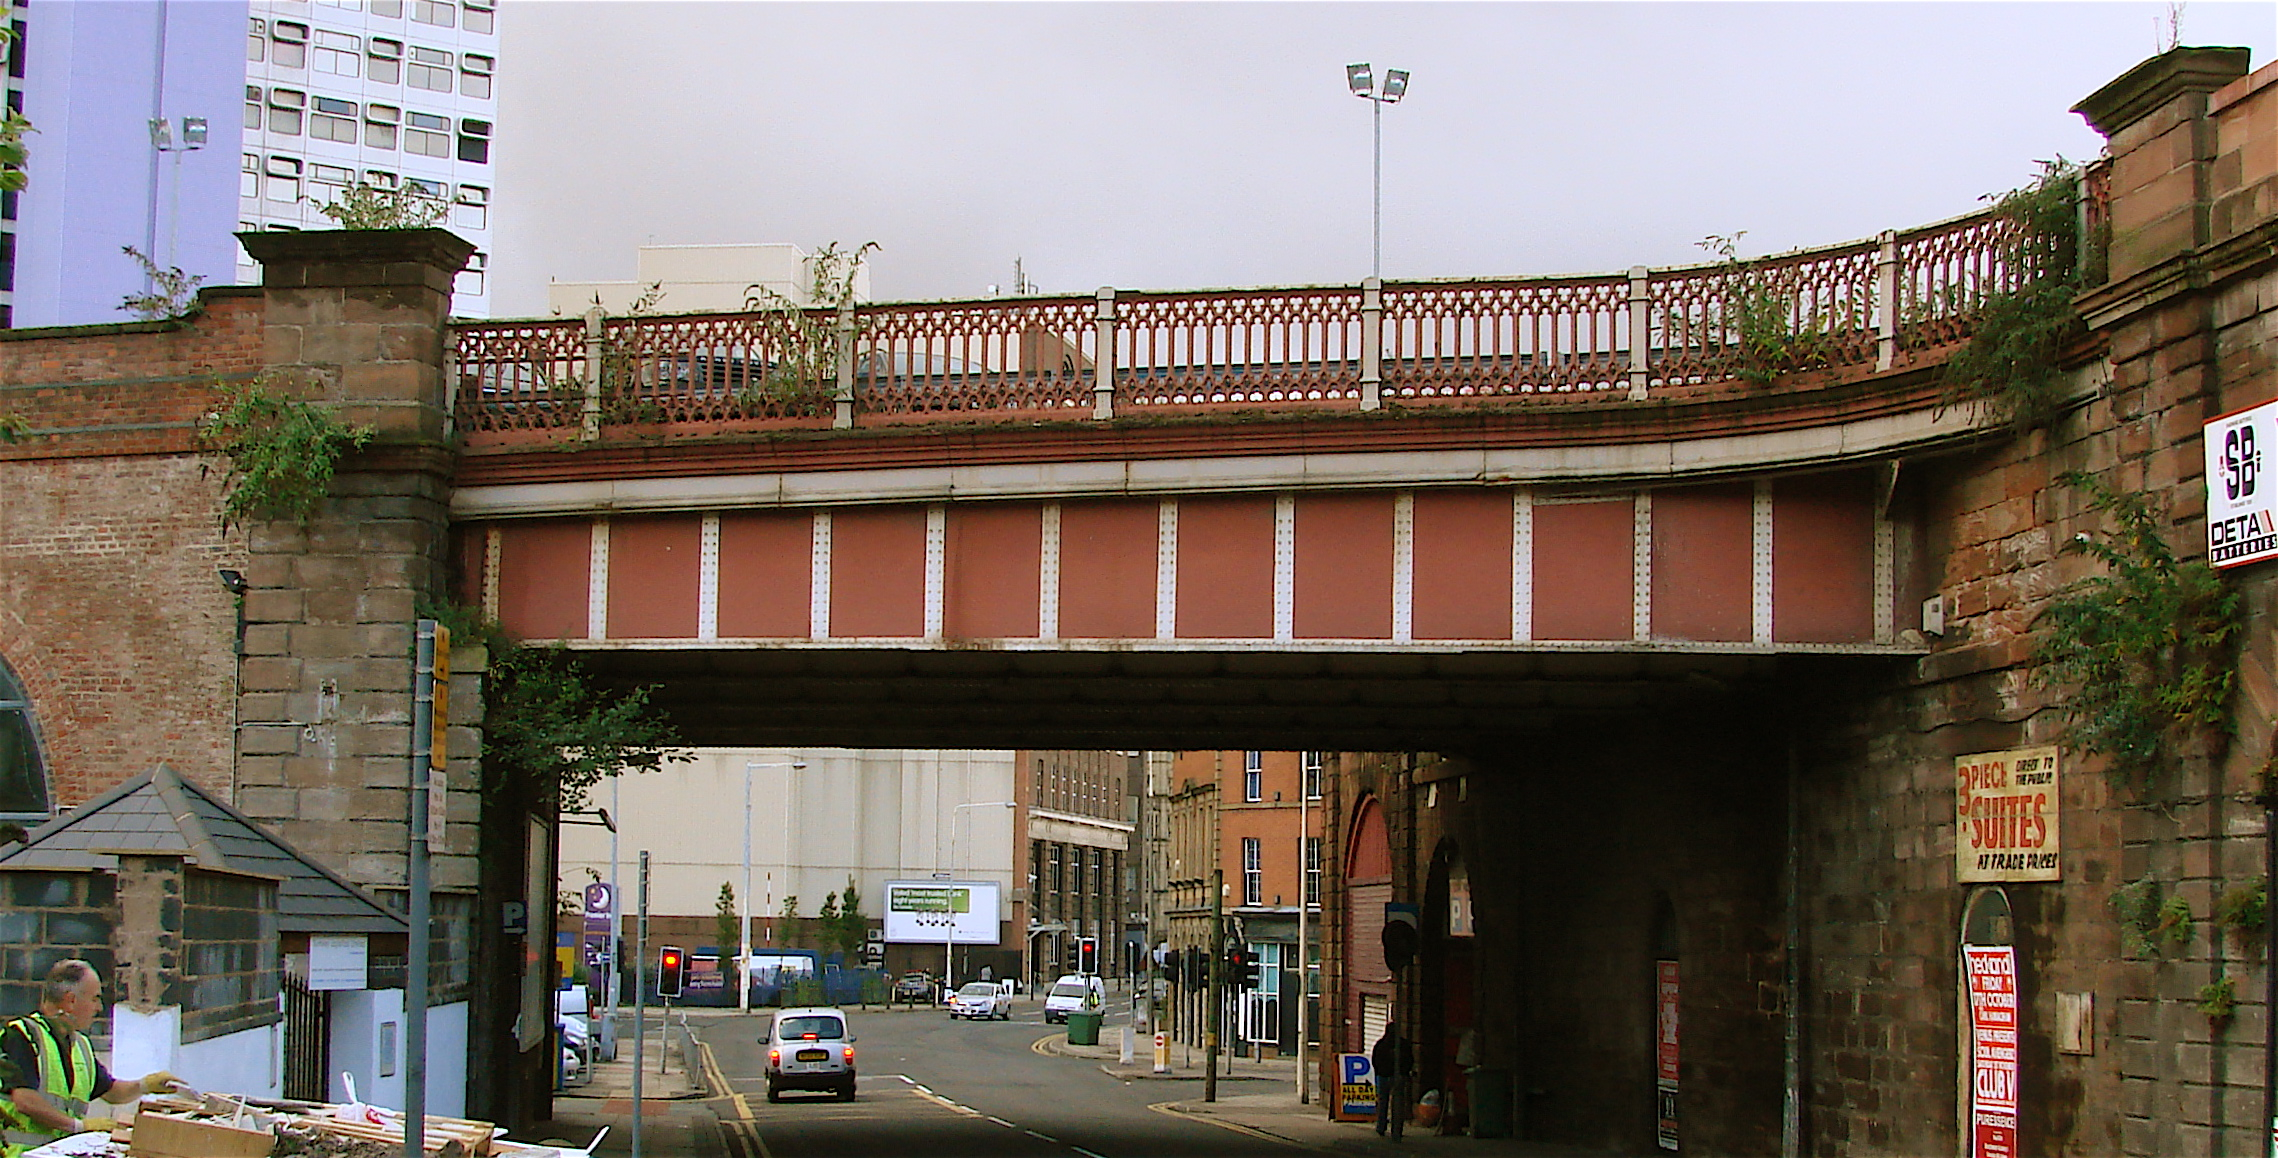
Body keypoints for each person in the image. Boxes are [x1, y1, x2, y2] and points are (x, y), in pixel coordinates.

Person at [1, 960, 178, 1154]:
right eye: (95, 998)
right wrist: (79, 1126)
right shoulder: (21, 1035)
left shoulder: (80, 1045)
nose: (99, 1007)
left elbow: (111, 1091)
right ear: (71, 1001)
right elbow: (25, 1100)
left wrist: (144, 1085)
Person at [1371, 1028, 1413, 1142]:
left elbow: (1375, 1060)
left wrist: (1379, 1072)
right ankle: (1397, 1129)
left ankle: (1381, 1126)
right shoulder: (1403, 1045)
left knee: (1382, 1102)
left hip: (1383, 1076)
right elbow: (1409, 1060)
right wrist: (1405, 1072)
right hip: (1398, 1076)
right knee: (1398, 1104)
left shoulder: (1381, 1044)